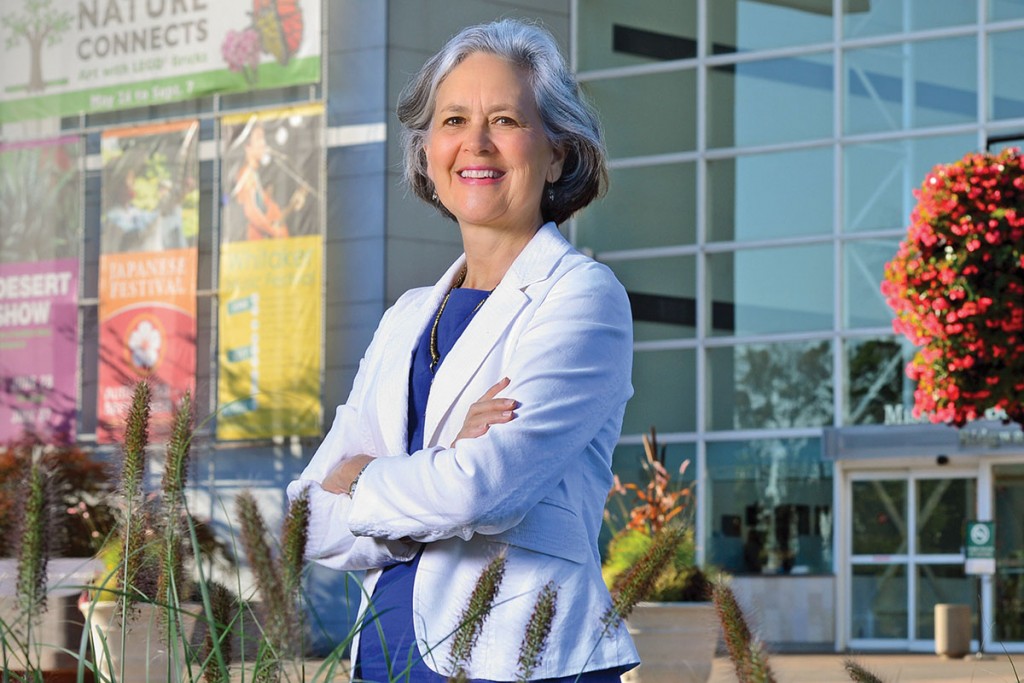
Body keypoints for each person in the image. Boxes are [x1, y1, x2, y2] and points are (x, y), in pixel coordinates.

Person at [287, 19, 638, 682]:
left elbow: (484, 492)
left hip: (524, 663)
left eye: (505, 118)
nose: (474, 143)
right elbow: (305, 516)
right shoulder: (405, 317)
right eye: (452, 120)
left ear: (559, 153)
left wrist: (361, 473)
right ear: (426, 152)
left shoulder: (581, 297)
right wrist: (437, 465)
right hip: (384, 659)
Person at [230, 121, 307, 240]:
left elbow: (269, 214)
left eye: (263, 138)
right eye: (259, 138)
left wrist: (290, 206)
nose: (263, 143)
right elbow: (251, 212)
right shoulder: (246, 175)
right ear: (247, 147)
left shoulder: (254, 175)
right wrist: (274, 231)